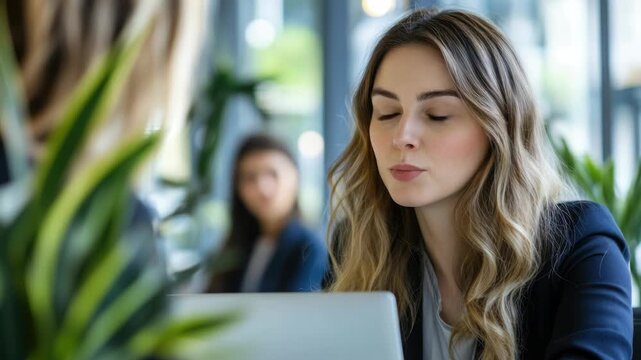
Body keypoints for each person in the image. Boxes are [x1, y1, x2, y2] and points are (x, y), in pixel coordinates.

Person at [324, 8, 632, 360]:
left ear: (497, 128)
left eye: (437, 114)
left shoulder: (582, 243)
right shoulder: (359, 248)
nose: (402, 137)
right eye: (387, 113)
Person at [206, 133, 327, 293]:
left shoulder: (309, 248)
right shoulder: (236, 248)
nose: (263, 188)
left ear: (295, 177)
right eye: (250, 178)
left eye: (273, 174)